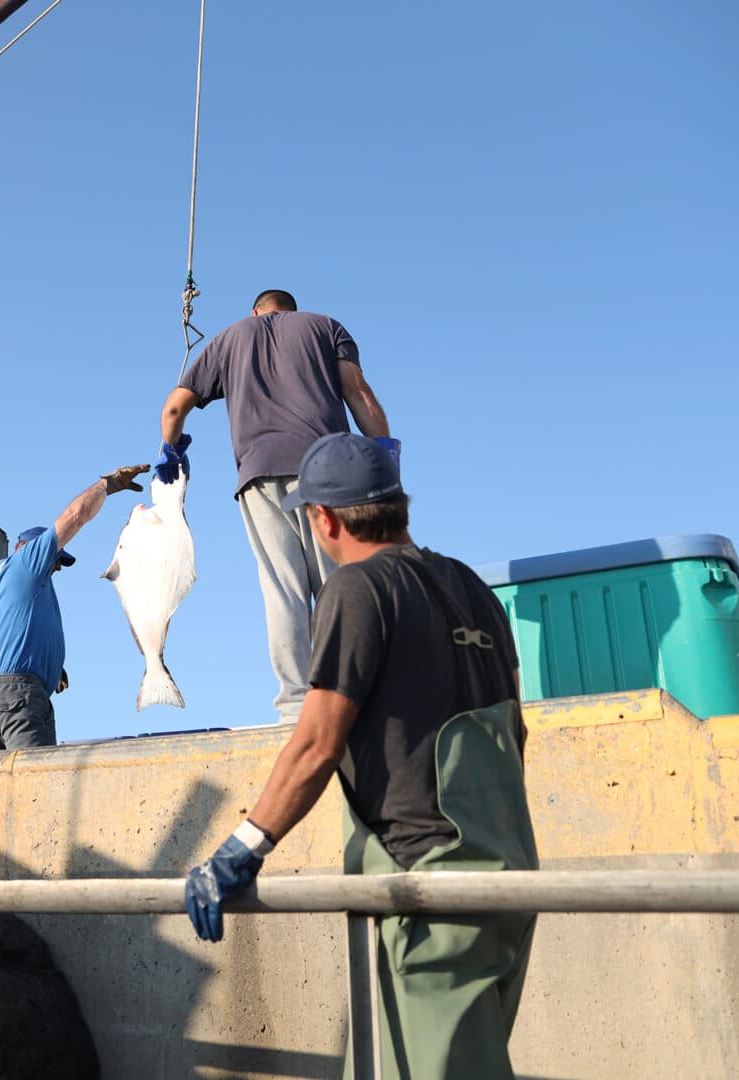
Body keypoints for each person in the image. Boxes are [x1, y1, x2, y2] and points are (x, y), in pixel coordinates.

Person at [183, 433, 538, 1079]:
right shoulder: (473, 588)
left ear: (321, 517)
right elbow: (517, 731)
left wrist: (243, 847)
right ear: (399, 505)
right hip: (508, 873)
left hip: (426, 879)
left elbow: (318, 740)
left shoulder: (357, 588)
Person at [158, 289, 394, 720]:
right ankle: (357, 695)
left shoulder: (229, 339)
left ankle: (297, 707)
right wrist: (383, 451)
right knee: (339, 585)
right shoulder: (326, 327)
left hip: (260, 474)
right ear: (293, 311)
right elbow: (357, 392)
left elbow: (174, 409)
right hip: (330, 469)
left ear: (255, 312)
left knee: (282, 590)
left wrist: (170, 451)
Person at [0, 465, 150, 751]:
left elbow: (6, 636)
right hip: (16, 695)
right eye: (55, 558)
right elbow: (74, 517)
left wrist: (51, 669)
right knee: (36, 788)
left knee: (0, 787)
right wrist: (108, 485)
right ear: (28, 548)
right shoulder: (27, 562)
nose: (57, 567)